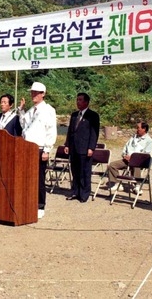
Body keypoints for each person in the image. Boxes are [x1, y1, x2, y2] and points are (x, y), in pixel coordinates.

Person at [19, 82, 57, 219]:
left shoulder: (48, 110)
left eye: (36, 92)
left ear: (43, 94)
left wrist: (47, 149)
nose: (33, 95)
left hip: (39, 148)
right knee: (26, 177)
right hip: (26, 147)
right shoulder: (31, 110)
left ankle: (40, 205)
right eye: (32, 92)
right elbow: (24, 124)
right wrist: (21, 110)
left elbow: (51, 131)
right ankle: (28, 201)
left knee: (39, 178)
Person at [64, 93, 100, 203]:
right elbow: (70, 131)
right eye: (77, 100)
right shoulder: (74, 115)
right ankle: (75, 191)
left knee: (84, 171)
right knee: (75, 171)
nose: (78, 102)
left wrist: (91, 147)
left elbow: (94, 133)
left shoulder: (93, 115)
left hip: (85, 148)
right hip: (74, 147)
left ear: (86, 102)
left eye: (80, 100)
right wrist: (67, 144)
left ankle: (84, 194)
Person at [106, 122, 152, 194]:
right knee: (112, 165)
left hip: (139, 162)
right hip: (127, 160)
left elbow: (147, 155)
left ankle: (137, 185)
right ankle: (117, 183)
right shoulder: (133, 137)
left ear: (144, 129)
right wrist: (124, 155)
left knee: (136, 164)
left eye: (138, 128)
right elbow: (125, 147)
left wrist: (133, 158)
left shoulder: (149, 141)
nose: (136, 129)